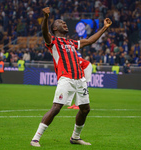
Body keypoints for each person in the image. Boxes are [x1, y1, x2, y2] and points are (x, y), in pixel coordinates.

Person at [30, 7, 112, 147]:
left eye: (65, 23)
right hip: (66, 79)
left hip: (80, 79)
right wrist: (45, 18)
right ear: (55, 28)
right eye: (61, 23)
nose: (65, 24)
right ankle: (35, 138)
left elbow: (90, 40)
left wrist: (104, 28)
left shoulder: (71, 43)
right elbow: (45, 33)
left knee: (85, 109)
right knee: (56, 108)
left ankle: (75, 137)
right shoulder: (53, 41)